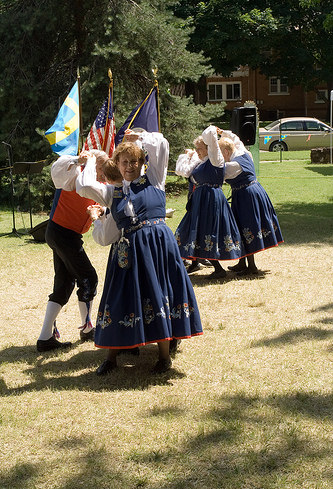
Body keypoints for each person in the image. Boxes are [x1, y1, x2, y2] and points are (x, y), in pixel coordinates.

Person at [76, 130, 203, 375]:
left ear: (141, 163)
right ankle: (112, 357)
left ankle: (164, 357)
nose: (130, 166)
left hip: (158, 247)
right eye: (124, 162)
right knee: (120, 298)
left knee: (160, 294)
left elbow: (162, 144)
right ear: (118, 165)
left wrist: (138, 139)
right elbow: (84, 186)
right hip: (129, 252)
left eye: (134, 161)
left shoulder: (155, 179)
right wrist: (91, 160)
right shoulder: (112, 193)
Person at [36, 150, 109, 352]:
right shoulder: (74, 175)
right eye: (101, 167)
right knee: (89, 277)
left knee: (64, 283)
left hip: (64, 234)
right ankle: (87, 329)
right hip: (62, 233)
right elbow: (56, 169)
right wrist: (79, 160)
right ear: (94, 164)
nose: (103, 172)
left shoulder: (98, 184)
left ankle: (45, 338)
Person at [174, 126, 245, 279]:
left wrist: (214, 132)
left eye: (200, 148)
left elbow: (210, 137)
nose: (197, 151)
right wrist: (191, 156)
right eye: (196, 148)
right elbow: (184, 171)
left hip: (211, 199)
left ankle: (218, 269)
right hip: (201, 200)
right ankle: (195, 263)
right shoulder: (202, 162)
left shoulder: (215, 159)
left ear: (208, 148)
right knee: (196, 230)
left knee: (209, 231)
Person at [217, 128, 283, 273]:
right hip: (252, 191)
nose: (220, 157)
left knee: (247, 226)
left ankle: (251, 266)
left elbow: (216, 174)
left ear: (227, 152)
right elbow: (236, 139)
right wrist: (223, 133)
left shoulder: (233, 165)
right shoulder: (242, 152)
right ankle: (242, 263)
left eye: (221, 154)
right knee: (241, 226)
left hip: (246, 195)